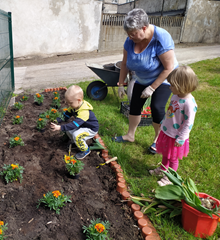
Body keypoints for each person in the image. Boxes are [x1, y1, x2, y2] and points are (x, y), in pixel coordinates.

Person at [113, 8, 179, 154]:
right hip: (142, 77)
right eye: (128, 34)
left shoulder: (161, 37)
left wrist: (152, 88)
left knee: (156, 107)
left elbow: (169, 67)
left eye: (133, 34)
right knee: (134, 105)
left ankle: (158, 140)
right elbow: (124, 63)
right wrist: (121, 84)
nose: (130, 37)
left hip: (163, 78)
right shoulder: (131, 39)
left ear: (144, 28)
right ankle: (130, 135)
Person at [149, 66, 198, 186]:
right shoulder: (176, 95)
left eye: (172, 85)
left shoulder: (189, 104)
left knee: (173, 158)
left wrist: (181, 138)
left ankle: (169, 177)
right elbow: (171, 111)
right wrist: (164, 122)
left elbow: (188, 123)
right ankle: (162, 169)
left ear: (182, 86)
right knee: (165, 153)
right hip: (167, 131)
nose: (170, 87)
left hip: (176, 136)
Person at [50, 85, 99, 160]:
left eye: (70, 103)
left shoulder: (84, 112)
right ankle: (76, 143)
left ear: (79, 100)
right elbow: (66, 115)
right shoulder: (74, 106)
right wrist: (58, 120)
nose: (68, 105)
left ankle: (85, 150)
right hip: (83, 125)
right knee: (69, 130)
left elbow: (74, 124)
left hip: (91, 129)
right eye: (68, 103)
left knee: (77, 135)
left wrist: (60, 127)